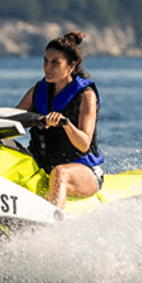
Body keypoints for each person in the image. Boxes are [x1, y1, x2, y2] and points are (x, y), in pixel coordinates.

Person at [16, 31, 104, 209]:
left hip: (82, 169)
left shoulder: (86, 95)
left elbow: (84, 144)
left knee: (60, 172)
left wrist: (66, 123)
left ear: (71, 66)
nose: (47, 68)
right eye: (45, 61)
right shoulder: (37, 91)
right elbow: (9, 121)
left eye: (55, 63)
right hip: (42, 166)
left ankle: (53, 229)